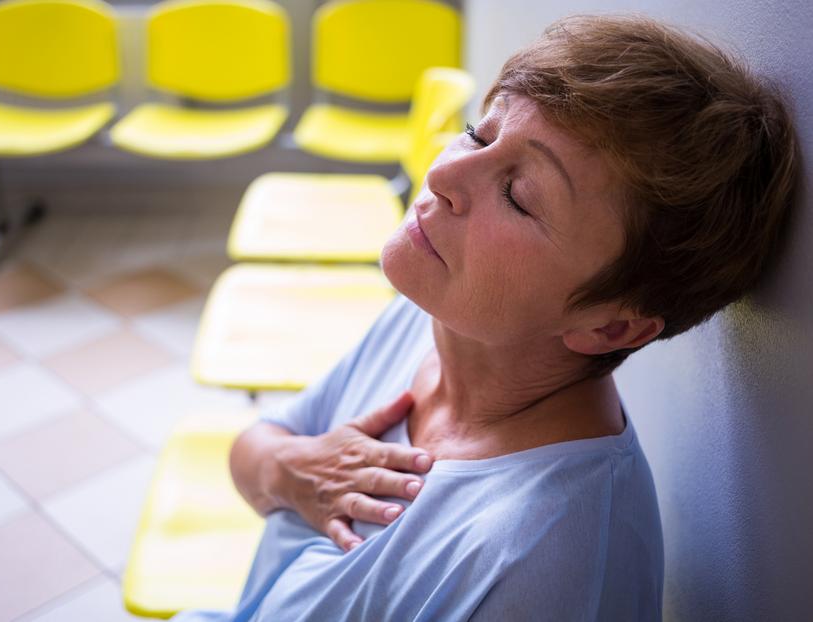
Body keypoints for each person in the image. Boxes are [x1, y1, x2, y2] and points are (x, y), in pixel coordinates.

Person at [175, 14, 798, 622]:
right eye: (478, 133)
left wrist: (285, 467)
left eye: (519, 197)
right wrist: (290, 471)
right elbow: (260, 446)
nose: (444, 172)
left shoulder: (544, 563)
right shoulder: (436, 318)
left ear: (610, 327)